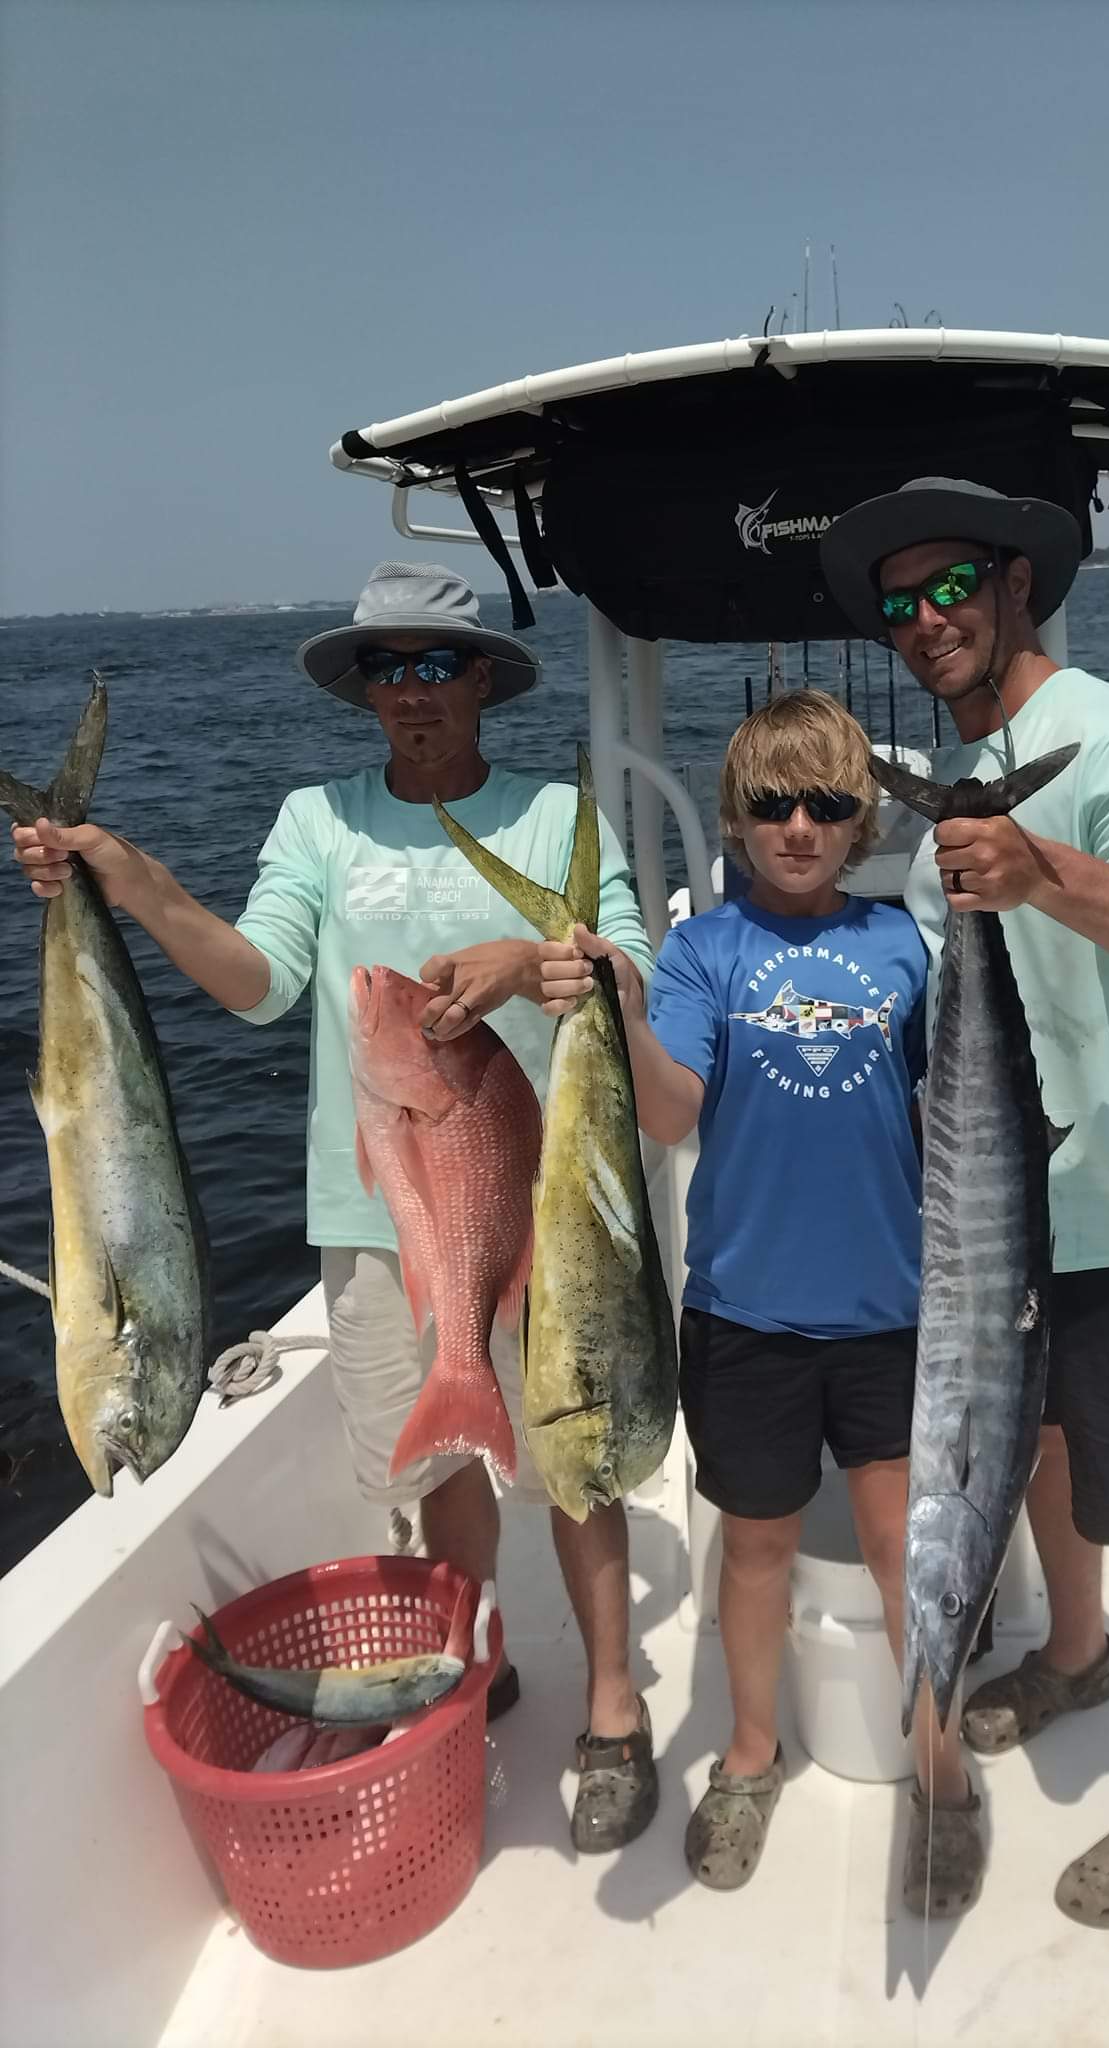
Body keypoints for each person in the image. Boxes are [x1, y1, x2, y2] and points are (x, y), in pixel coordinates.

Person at [10, 561, 659, 1853]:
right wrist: (132, 884)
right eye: (386, 669)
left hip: (547, 1212)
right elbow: (256, 982)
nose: (410, 691)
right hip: (376, 1214)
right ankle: (475, 1666)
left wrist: (532, 963)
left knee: (575, 1463)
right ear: (362, 691)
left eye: (435, 664)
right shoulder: (319, 819)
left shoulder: (549, 820)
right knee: (438, 1463)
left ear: (482, 679)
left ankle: (615, 1703)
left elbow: (625, 968)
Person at [821, 478, 1109, 1927]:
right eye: (896, 604)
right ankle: (1077, 1655)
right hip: (996, 1230)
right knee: (1047, 1455)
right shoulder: (959, 784)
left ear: (1018, 581)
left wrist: (1048, 869)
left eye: (949, 586)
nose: (924, 621)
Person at [538, 689, 983, 1916]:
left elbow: (955, 1114)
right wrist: (625, 1014)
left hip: (896, 1310)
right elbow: (673, 1113)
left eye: (828, 805)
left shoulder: (907, 945)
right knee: (757, 1548)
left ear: (860, 823)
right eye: (775, 804)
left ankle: (942, 1768)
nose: (800, 825)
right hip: (745, 1317)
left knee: (909, 1550)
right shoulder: (703, 952)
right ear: (736, 820)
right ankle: (747, 1751)